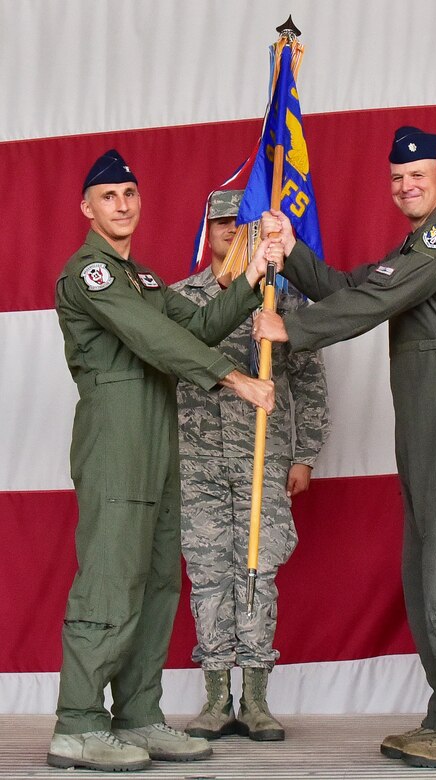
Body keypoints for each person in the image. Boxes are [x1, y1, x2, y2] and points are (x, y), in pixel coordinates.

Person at [255, 127, 436, 769]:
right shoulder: (414, 246)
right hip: (428, 417)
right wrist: (292, 254)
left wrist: (291, 327)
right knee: (428, 567)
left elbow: (379, 297)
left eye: (417, 175)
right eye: (397, 178)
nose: (406, 185)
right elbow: (358, 285)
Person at [47, 150, 283, 773]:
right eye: (108, 197)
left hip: (158, 434)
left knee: (156, 578)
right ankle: (77, 723)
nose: (122, 205)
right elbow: (154, 339)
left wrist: (253, 265)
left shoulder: (144, 279)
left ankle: (138, 715)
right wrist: (234, 379)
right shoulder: (90, 274)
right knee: (111, 574)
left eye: (129, 193)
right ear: (86, 209)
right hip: (117, 435)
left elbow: (199, 324)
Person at [171, 189, 329, 742]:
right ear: (206, 230)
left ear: (254, 235)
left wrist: (305, 454)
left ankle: (256, 701)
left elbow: (309, 383)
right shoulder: (178, 299)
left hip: (260, 459)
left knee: (257, 575)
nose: (229, 233)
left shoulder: (280, 301)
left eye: (240, 225)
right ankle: (217, 699)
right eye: (219, 223)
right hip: (197, 466)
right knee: (209, 576)